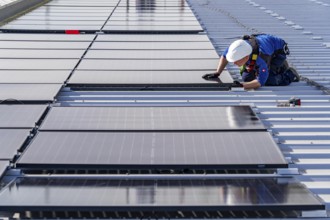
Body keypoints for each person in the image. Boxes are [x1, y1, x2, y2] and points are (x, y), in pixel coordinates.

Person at [203, 34, 300, 89]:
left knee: (269, 80)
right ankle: (277, 68)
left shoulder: (261, 59)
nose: (234, 63)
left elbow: (260, 82)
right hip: (262, 42)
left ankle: (289, 73)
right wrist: (217, 73)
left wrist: (241, 86)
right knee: (247, 78)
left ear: (245, 57)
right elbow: (224, 57)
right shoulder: (236, 47)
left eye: (236, 61)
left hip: (277, 52)